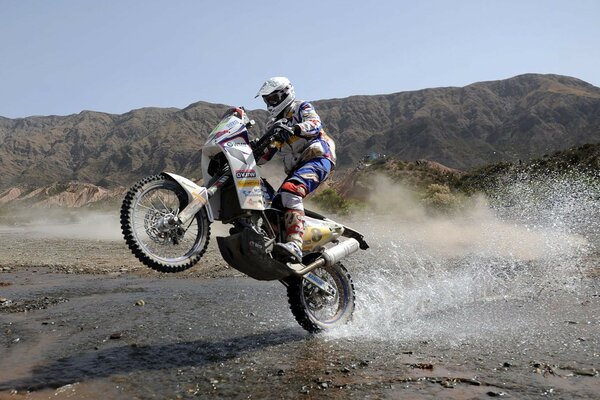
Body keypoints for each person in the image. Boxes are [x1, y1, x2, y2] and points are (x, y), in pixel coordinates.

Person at [254, 76, 336, 262]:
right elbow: (266, 155)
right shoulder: (273, 125)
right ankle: (278, 245)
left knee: (291, 191)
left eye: (273, 99)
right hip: (297, 167)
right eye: (268, 100)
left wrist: (295, 129)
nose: (270, 103)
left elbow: (315, 124)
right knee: (274, 207)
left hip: (318, 157)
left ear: (286, 93)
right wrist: (254, 149)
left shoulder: (301, 107)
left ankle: (295, 245)